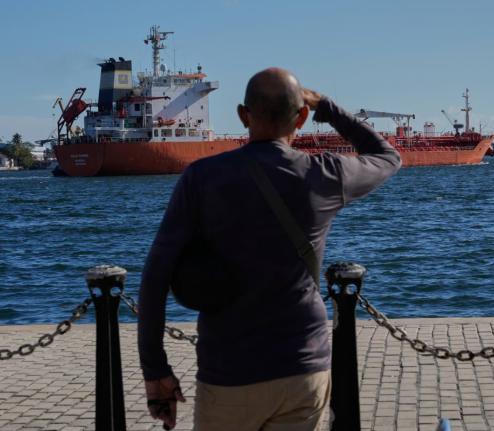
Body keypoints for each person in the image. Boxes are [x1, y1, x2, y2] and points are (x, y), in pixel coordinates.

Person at [138, 67, 401, 430]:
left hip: (228, 374)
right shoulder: (325, 174)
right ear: (302, 117)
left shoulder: (201, 178)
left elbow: (155, 276)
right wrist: (328, 107)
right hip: (302, 370)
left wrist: (156, 371)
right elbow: (388, 157)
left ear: (244, 116)